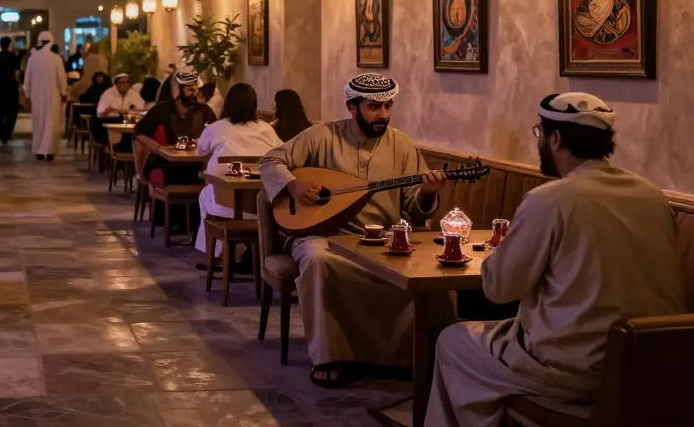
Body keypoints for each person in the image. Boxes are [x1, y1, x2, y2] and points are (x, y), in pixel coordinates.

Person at [426, 93, 686, 427]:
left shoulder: (550, 199)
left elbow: (499, 288)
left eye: (540, 133)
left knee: (453, 341)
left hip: (574, 372)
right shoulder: (652, 195)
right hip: (654, 364)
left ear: (556, 138)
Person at [257, 73, 446, 388]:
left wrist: (428, 193)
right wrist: (294, 185)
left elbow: (414, 206)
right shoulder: (321, 136)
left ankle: (406, 356)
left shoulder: (402, 144)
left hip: (380, 240)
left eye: (387, 106)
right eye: (373, 107)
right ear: (353, 107)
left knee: (428, 271)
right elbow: (270, 161)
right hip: (322, 237)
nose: (382, 114)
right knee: (317, 260)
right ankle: (331, 358)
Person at [194, 83, 281, 265]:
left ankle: (217, 255)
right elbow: (282, 151)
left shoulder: (217, 128)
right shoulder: (266, 129)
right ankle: (242, 253)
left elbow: (200, 151)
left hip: (227, 202)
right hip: (262, 204)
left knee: (205, 194)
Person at [23, 30, 67, 161]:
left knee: (38, 122)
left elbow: (27, 79)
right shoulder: (56, 59)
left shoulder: (33, 58)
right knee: (51, 122)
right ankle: (49, 150)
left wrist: (27, 95)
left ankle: (39, 150)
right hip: (54, 96)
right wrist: (64, 92)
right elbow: (61, 78)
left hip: (36, 97)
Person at [95, 73, 145, 152]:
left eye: (127, 82)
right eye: (122, 83)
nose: (125, 85)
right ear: (116, 84)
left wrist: (119, 110)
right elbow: (100, 113)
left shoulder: (133, 94)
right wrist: (110, 111)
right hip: (110, 121)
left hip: (127, 123)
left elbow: (141, 109)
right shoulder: (108, 93)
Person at [0, 36, 21, 145]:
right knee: (12, 112)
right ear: (9, 45)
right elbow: (17, 73)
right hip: (11, 88)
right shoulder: (13, 57)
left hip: (0, 88)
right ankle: (8, 132)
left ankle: (2, 133)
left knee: (0, 113)